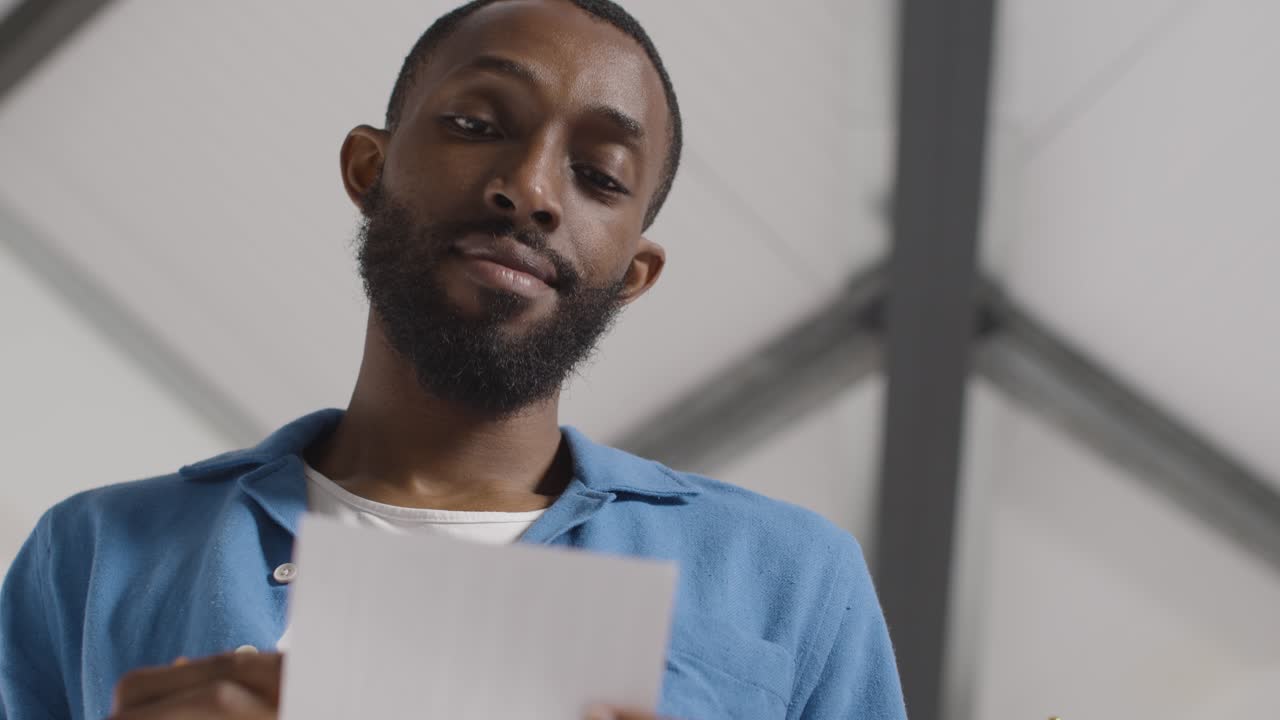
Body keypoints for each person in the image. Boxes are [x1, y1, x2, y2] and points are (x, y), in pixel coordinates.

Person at [0, 1, 907, 718]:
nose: (533, 190)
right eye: (477, 122)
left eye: (598, 176)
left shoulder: (795, 580)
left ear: (635, 275)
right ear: (369, 169)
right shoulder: (92, 556)